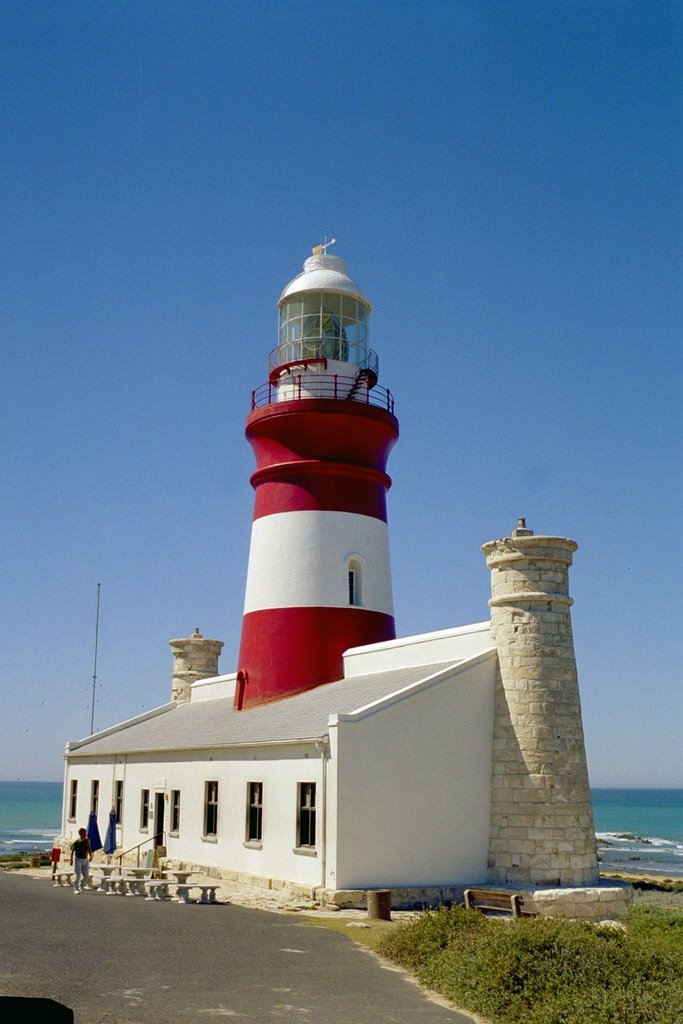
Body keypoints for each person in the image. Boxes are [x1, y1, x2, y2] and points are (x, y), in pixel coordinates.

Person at [69, 828, 92, 894]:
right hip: (78, 860)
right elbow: (72, 851)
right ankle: (76, 888)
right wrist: (71, 860)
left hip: (85, 860)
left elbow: (89, 848)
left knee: (86, 875)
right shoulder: (77, 842)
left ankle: (81, 885)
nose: (85, 835)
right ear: (80, 834)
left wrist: (91, 856)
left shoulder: (87, 841)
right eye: (84, 833)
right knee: (78, 875)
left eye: (85, 833)